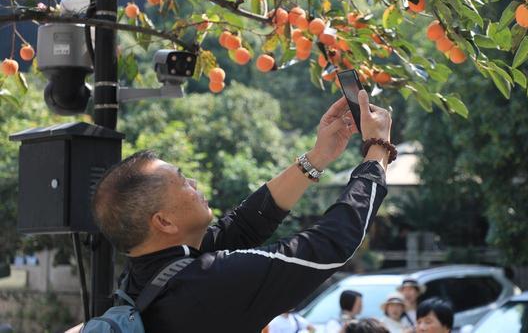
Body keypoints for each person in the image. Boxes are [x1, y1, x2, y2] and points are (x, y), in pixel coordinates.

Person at [90, 90, 393, 332]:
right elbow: (329, 245)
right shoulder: (210, 283)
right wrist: (377, 150)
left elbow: (241, 227)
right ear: (164, 221)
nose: (193, 182)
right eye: (182, 181)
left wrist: (317, 157)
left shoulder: (143, 277)